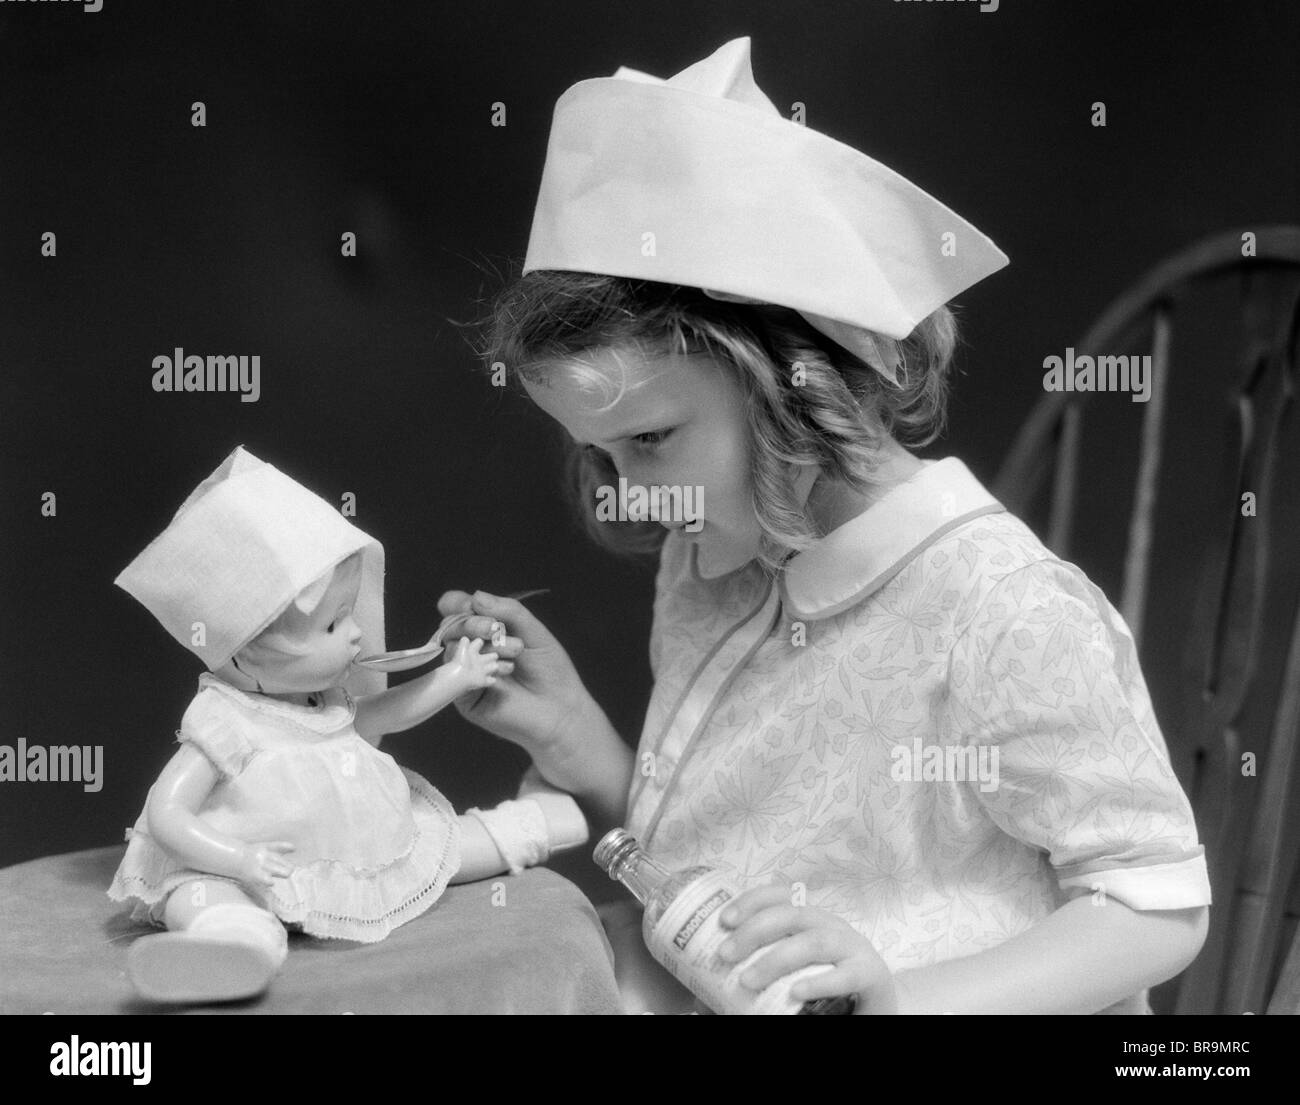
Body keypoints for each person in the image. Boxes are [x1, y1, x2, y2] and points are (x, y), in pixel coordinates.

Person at [435, 38, 1212, 1014]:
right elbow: (703, 870)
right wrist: (579, 743)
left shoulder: (998, 606)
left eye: (649, 438)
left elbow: (1155, 908)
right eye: (599, 454)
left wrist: (901, 996)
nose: (627, 488)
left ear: (790, 385)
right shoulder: (706, 565)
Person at [109, 446, 587, 1003]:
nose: (357, 634)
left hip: (356, 843)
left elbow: (379, 716)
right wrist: (236, 858)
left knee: (439, 847)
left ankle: (528, 825)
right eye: (334, 624)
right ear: (244, 655)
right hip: (244, 868)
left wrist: (455, 676)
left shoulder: (327, 702)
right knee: (193, 897)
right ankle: (236, 946)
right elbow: (168, 812)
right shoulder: (226, 722)